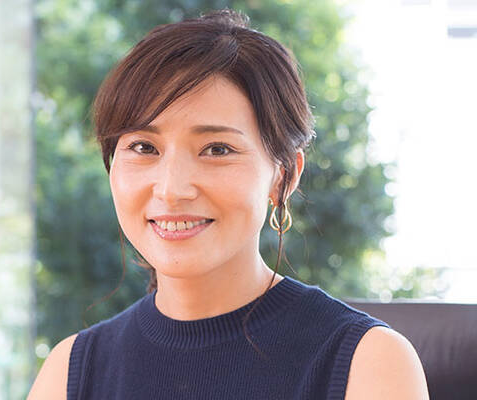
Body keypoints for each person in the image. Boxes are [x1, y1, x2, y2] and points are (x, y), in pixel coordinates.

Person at [28, 9, 429, 400]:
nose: (171, 189)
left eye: (217, 149)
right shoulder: (69, 372)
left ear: (284, 175)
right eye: (144, 147)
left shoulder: (369, 363)